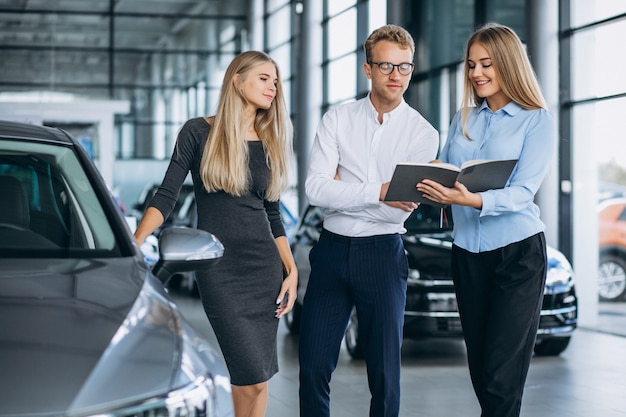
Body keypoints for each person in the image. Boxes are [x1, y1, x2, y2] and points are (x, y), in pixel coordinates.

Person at [133, 50, 298, 417]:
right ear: (236, 80)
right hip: (219, 269)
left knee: (260, 379)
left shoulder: (268, 140)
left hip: (264, 269)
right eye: (263, 78)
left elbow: (273, 213)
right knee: (249, 376)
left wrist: (291, 270)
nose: (272, 86)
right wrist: (136, 241)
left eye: (275, 81)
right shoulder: (197, 132)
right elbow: (166, 195)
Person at [299, 24, 439, 417]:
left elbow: (401, 207)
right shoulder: (337, 119)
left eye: (404, 67)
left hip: (382, 254)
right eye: (386, 66)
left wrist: (347, 190)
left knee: (385, 375)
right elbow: (315, 190)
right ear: (367, 69)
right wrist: (380, 190)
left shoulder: (423, 134)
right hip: (330, 253)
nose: (396, 76)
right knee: (312, 367)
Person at [416, 23, 555, 417]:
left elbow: (523, 192)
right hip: (467, 254)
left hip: (518, 254)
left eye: (487, 65)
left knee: (500, 375)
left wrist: (473, 199)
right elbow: (448, 172)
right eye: (472, 65)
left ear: (508, 65)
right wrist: (429, 180)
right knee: (480, 369)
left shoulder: (536, 120)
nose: (476, 73)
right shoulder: (463, 118)